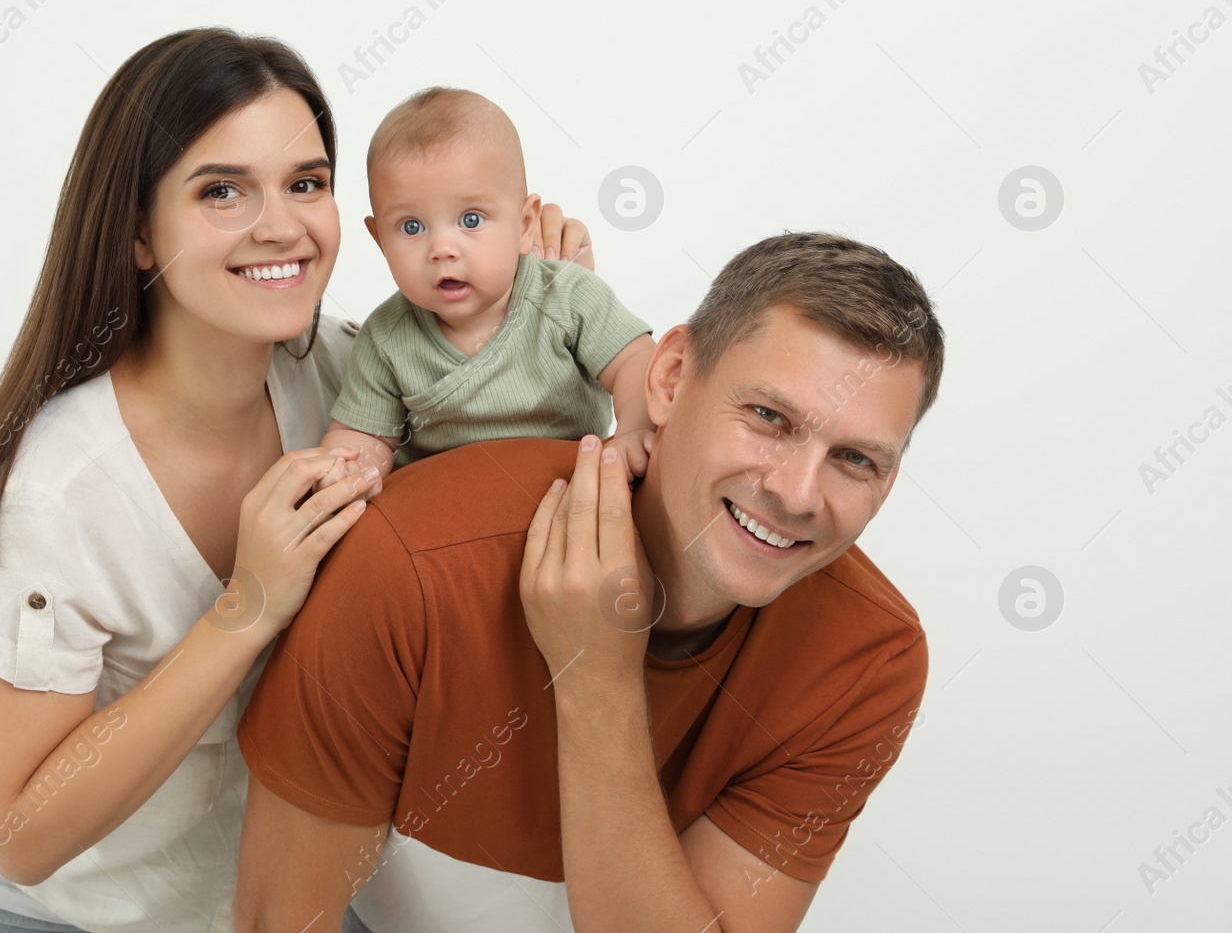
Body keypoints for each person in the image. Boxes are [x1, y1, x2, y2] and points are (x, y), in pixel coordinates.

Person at [0, 27, 594, 933]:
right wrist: (248, 605)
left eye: (306, 183)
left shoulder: (350, 379)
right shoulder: (58, 488)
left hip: (201, 894)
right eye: (223, 190)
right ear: (140, 234)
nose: (281, 224)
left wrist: (542, 328)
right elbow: (19, 835)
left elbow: (490, 519)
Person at [233, 231, 946, 933]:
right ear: (668, 378)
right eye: (768, 417)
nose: (796, 493)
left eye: (855, 459)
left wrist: (597, 681)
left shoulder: (868, 658)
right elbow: (279, 920)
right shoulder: (411, 564)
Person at [319, 87, 656, 488]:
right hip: (446, 508)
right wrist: (353, 465)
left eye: (471, 220)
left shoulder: (567, 295)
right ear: (380, 241)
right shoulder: (385, 338)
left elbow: (635, 361)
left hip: (565, 485)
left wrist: (635, 427)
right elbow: (367, 435)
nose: (442, 250)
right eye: (412, 227)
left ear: (525, 225)